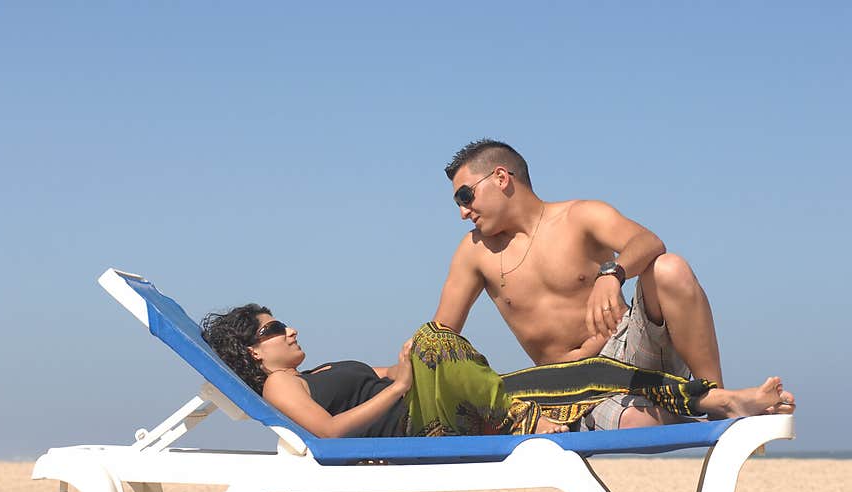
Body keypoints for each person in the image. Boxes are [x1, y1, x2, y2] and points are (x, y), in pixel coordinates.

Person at [435, 138, 796, 431]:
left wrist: (612, 274)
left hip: (630, 350)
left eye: (465, 196)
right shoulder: (474, 252)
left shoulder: (580, 216)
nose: (463, 211)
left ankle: (716, 398)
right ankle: (716, 409)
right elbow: (442, 336)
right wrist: (391, 378)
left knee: (669, 268)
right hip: (571, 388)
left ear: (501, 178)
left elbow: (648, 242)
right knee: (635, 423)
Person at [199, 304, 794, 440]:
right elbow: (327, 435)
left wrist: (405, 362)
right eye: (275, 330)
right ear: (255, 353)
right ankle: (719, 400)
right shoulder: (281, 385)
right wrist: (405, 384)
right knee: (576, 376)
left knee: (588, 372)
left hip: (430, 400)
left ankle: (717, 399)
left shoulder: (315, 369)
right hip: (419, 420)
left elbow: (385, 372)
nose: (290, 330)